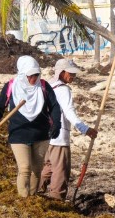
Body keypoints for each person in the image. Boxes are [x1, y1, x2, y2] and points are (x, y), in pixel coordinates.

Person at [0, 55, 61, 198]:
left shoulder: (44, 86)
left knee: (36, 169)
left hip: (41, 134)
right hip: (19, 134)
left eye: (36, 75)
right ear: (22, 75)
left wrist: (57, 123)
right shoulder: (11, 86)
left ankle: (32, 198)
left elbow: (55, 107)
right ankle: (23, 199)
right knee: (25, 168)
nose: (34, 79)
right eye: (30, 76)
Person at [37, 58, 98, 200]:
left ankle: (36, 191)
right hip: (59, 136)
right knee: (60, 169)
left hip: (45, 135)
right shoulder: (63, 90)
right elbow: (69, 112)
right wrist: (85, 129)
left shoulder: (48, 86)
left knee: (48, 166)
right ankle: (57, 199)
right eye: (71, 73)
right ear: (62, 72)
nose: (74, 76)